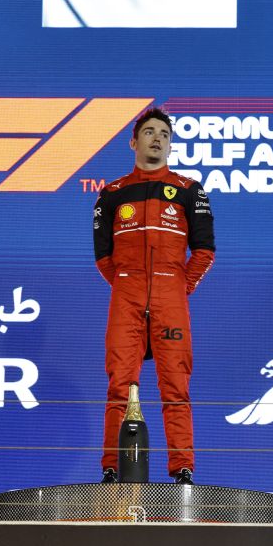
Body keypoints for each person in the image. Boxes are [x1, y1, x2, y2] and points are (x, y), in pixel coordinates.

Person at [93, 107, 215, 485]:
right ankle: (112, 468)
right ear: (134, 142)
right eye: (149, 132)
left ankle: (182, 470)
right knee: (119, 385)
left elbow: (205, 252)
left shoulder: (189, 190)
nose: (157, 138)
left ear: (171, 144)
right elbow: (103, 258)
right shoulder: (112, 194)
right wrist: (128, 285)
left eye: (164, 133)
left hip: (170, 298)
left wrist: (177, 287)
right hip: (126, 297)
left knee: (176, 385)